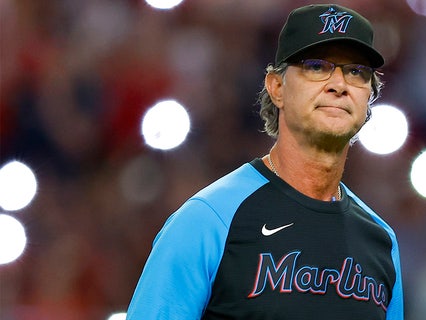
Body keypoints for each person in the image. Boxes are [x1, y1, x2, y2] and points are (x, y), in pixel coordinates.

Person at [126, 4, 404, 319]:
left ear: (370, 96)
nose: (339, 84)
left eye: (356, 71)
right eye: (316, 67)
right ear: (276, 87)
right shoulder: (209, 219)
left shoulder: (381, 240)